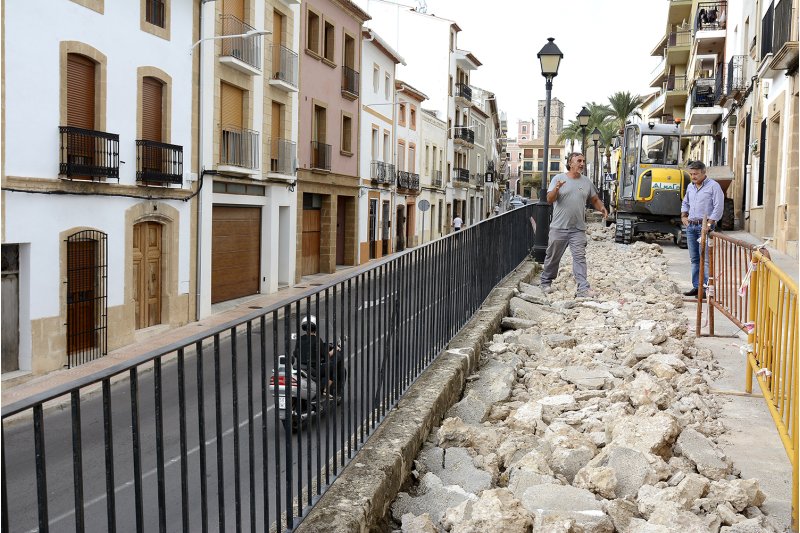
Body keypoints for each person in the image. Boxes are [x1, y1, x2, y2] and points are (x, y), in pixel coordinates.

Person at [539, 152, 608, 298]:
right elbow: (549, 199)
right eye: (579, 161)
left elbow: (594, 199)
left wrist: (602, 208)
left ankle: (583, 288)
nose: (582, 164)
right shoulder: (558, 178)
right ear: (570, 163)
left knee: (579, 257)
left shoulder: (586, 182)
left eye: (583, 161)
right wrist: (556, 188)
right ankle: (545, 282)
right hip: (559, 227)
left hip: (578, 228)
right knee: (553, 257)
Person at [680, 160, 724, 297]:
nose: (693, 176)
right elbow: (685, 202)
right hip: (691, 227)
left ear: (704, 173)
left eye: (696, 174)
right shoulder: (690, 187)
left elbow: (718, 206)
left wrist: (709, 225)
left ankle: (705, 289)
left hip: (705, 227)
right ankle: (696, 286)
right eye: (691, 174)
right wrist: (683, 216)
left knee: (705, 259)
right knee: (694, 259)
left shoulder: (714, 186)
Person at [293, 315, 336, 396]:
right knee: (333, 369)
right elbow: (326, 355)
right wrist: (334, 350)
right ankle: (325, 390)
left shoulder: (300, 339)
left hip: (300, 366)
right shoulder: (317, 340)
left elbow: (295, 353)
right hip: (313, 368)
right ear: (315, 327)